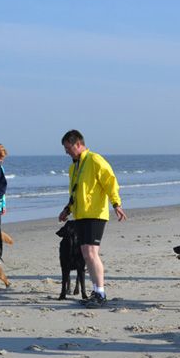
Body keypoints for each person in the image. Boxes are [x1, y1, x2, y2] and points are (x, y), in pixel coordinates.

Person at [58, 129, 127, 308]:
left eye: (68, 148)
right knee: (86, 254)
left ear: (78, 144)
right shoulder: (74, 167)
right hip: (81, 215)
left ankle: (100, 293)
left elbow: (110, 182)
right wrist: (67, 209)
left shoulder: (95, 160)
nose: (66, 152)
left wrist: (116, 204)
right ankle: (96, 291)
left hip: (95, 214)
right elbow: (75, 192)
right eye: (65, 148)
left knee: (90, 253)